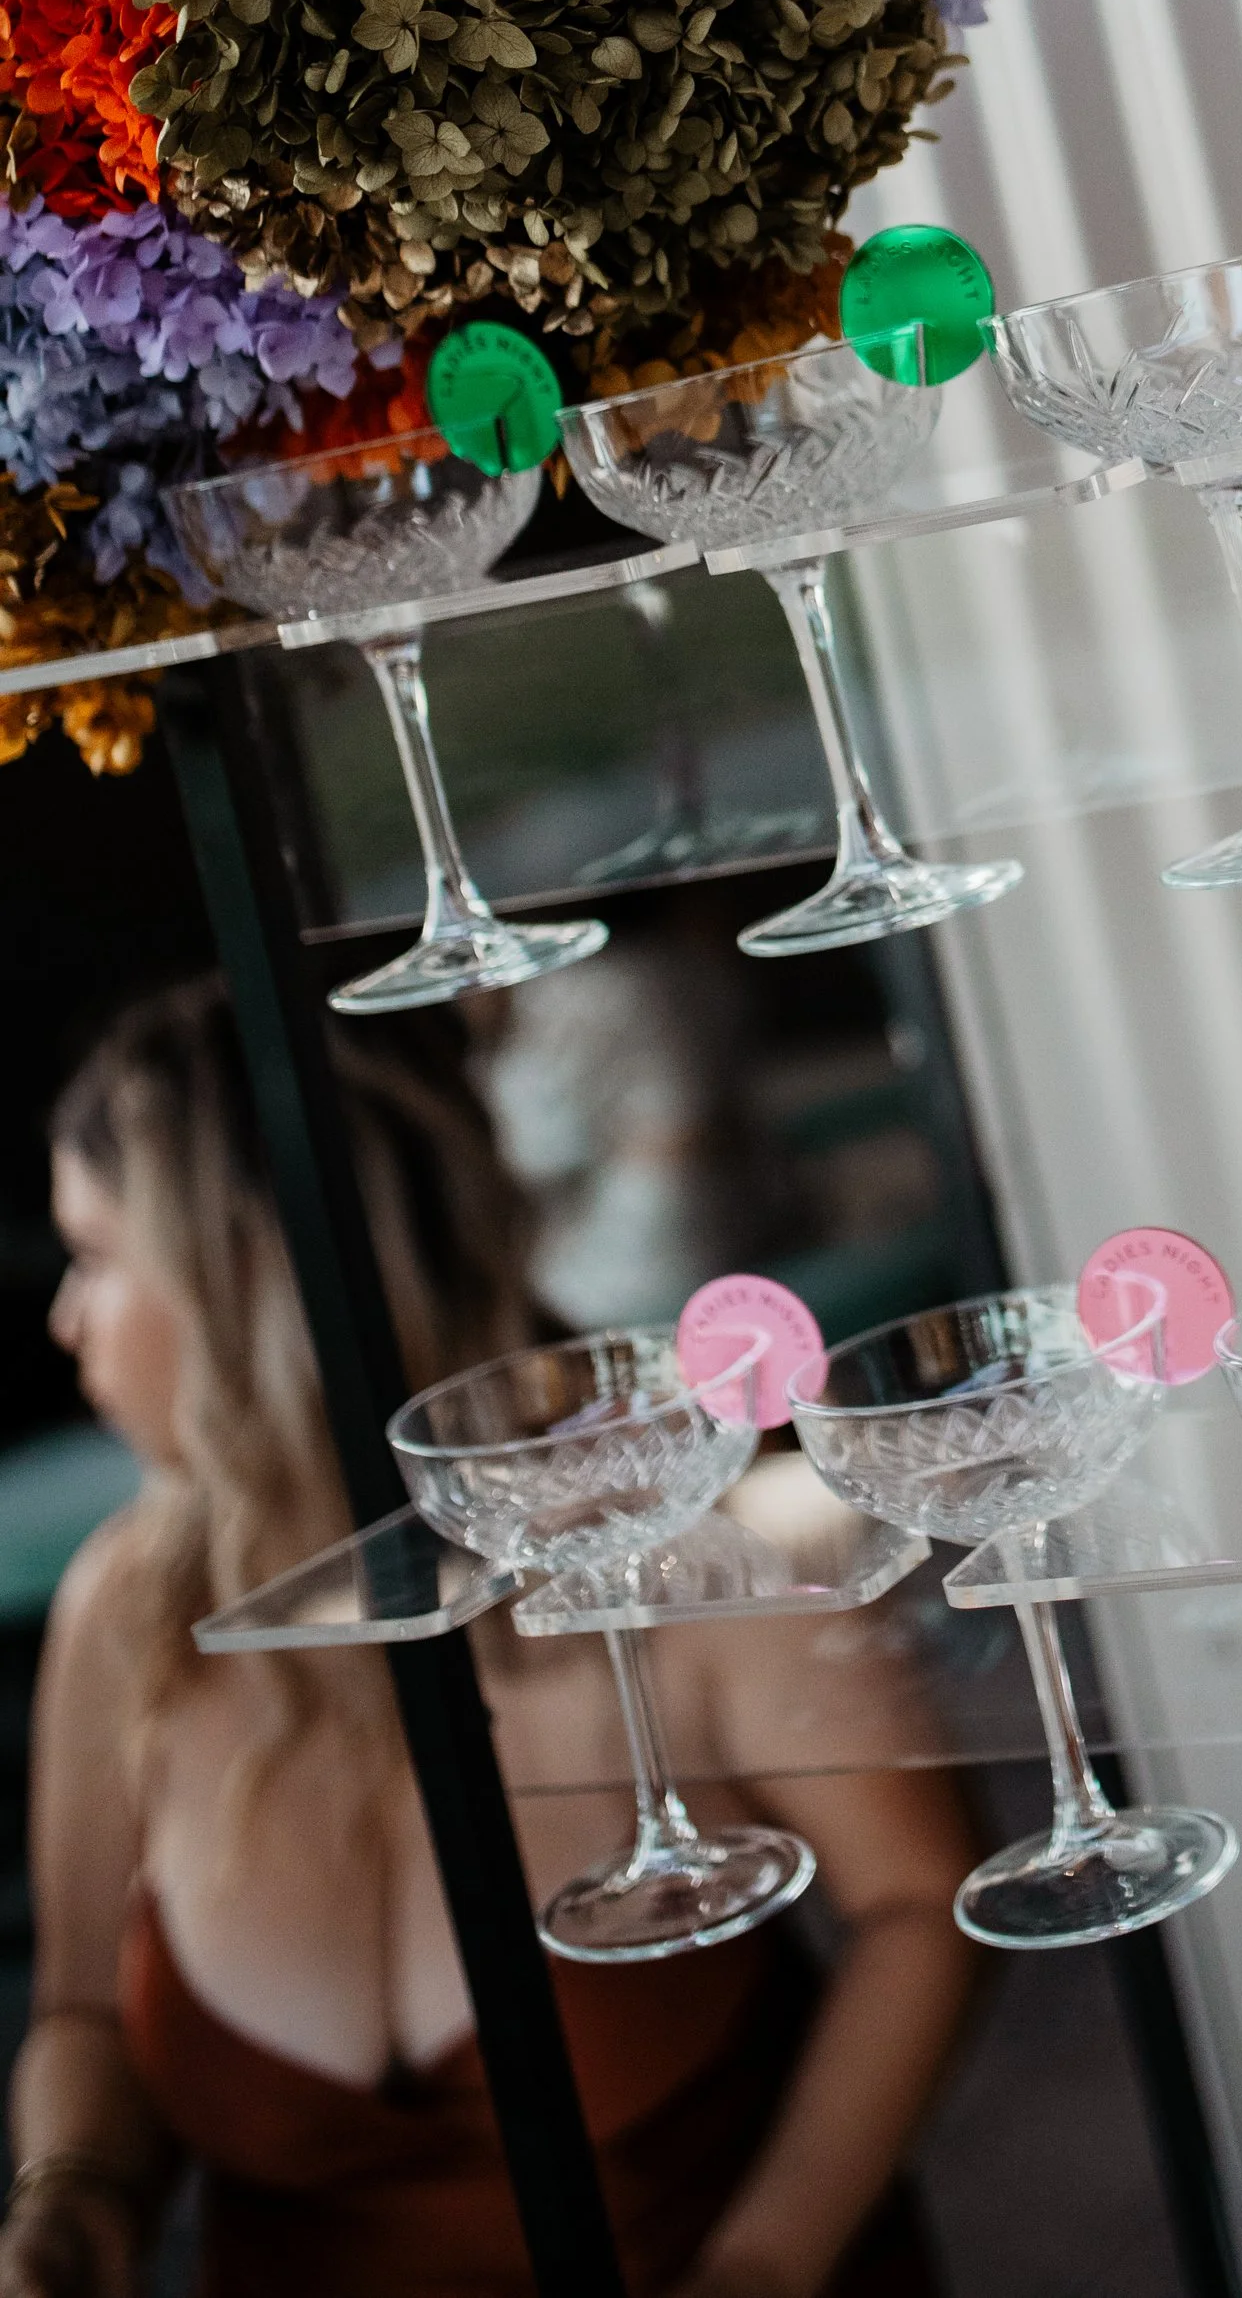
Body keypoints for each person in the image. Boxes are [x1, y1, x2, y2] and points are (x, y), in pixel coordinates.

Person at [1, 980, 981, 2298]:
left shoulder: (680, 1549)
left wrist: (764, 2264)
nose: (65, 1315)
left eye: (100, 1254)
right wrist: (74, 2201)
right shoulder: (126, 1613)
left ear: (251, 1275)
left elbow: (925, 1908)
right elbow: (78, 2011)